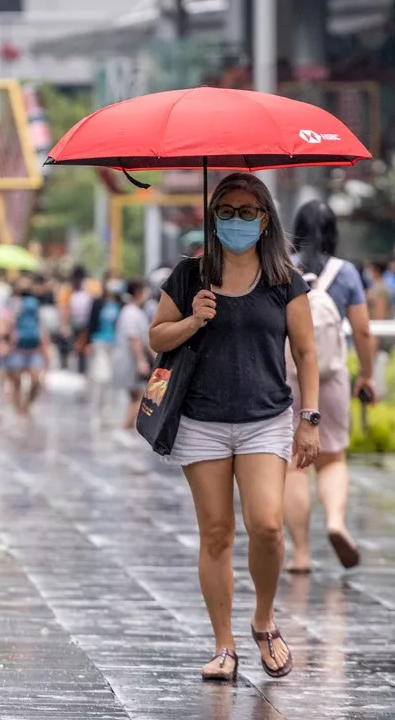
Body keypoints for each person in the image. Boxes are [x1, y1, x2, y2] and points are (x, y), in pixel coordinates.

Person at [149, 172, 319, 683]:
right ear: (212, 217)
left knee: (267, 525)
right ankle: (223, 646)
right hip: (201, 420)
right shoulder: (189, 276)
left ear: (265, 219)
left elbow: (307, 351)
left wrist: (309, 419)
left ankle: (264, 620)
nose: (238, 221)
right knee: (217, 532)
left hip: (266, 419)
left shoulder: (285, 280)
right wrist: (193, 319)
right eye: (227, 212)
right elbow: (157, 335)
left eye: (249, 212)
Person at [285, 200, 377, 574]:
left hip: (287, 377)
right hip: (333, 378)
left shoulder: (281, 269)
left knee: (294, 467)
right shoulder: (347, 274)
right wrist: (367, 375)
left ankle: (301, 554)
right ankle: (336, 521)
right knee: (333, 459)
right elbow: (363, 330)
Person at [112, 279, 152, 445]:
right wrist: (141, 361)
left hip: (130, 359)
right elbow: (134, 339)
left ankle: (130, 428)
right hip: (130, 360)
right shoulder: (131, 312)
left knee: (134, 396)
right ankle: (124, 427)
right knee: (140, 397)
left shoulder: (133, 311)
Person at [3, 277, 48, 418]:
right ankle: (18, 411)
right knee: (16, 382)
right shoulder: (10, 303)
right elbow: (5, 322)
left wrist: (44, 346)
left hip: (33, 347)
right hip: (16, 347)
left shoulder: (35, 304)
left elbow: (40, 324)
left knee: (36, 381)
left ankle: (26, 405)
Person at [87, 275, 123, 426]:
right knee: (101, 378)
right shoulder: (98, 303)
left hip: (115, 344)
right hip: (99, 343)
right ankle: (96, 412)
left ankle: (108, 413)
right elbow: (91, 322)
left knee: (112, 379)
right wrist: (89, 343)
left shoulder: (121, 304)